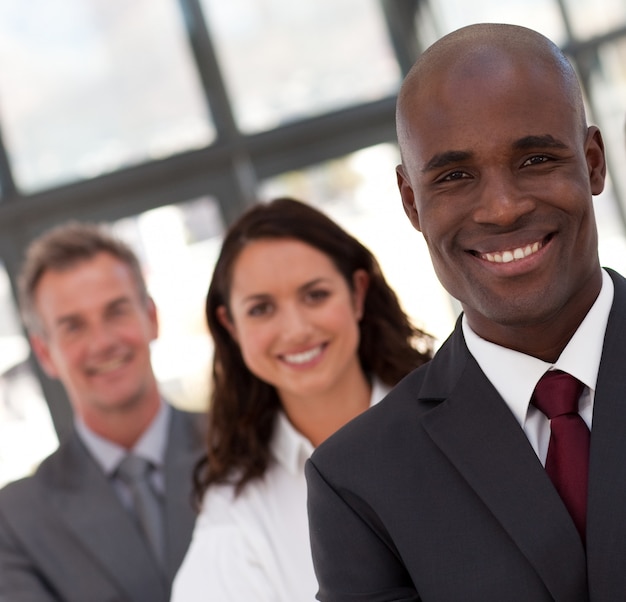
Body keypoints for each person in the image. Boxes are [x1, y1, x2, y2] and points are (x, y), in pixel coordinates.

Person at [305, 22, 624, 601]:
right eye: (454, 176)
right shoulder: (359, 482)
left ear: (593, 162)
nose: (502, 209)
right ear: (411, 202)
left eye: (535, 159)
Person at [170, 197, 432, 601]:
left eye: (315, 295)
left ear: (357, 293)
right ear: (231, 326)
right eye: (261, 309)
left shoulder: (458, 407)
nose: (295, 330)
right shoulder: (237, 512)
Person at [0, 222, 205, 602]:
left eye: (116, 311)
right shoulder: (15, 520)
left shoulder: (246, 446)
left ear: (152, 318)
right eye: (73, 326)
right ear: (45, 353)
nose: (103, 342)